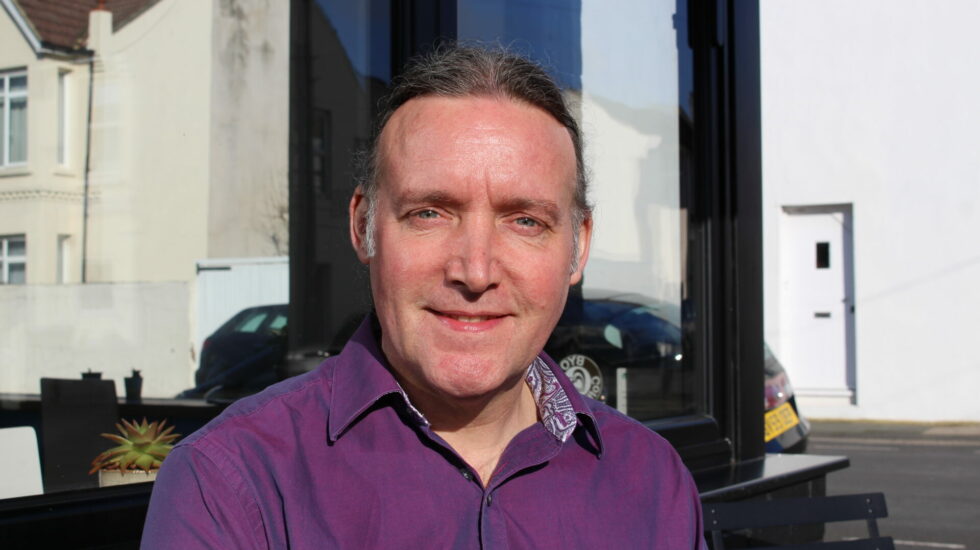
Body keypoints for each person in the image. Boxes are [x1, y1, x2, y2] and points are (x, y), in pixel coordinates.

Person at [142, 45, 706, 549]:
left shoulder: (654, 482)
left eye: (525, 221)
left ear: (578, 248)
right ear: (364, 226)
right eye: (429, 213)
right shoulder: (232, 484)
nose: (475, 271)